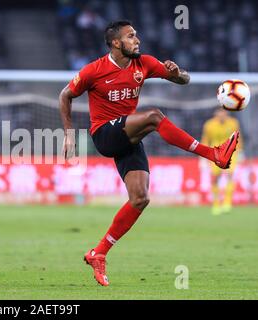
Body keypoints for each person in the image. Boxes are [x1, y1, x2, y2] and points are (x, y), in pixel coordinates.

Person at [59, 20, 239, 286]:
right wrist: (69, 134)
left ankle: (98, 253)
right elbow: (65, 95)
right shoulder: (94, 71)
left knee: (140, 199)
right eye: (131, 36)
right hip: (105, 134)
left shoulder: (144, 63)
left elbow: (185, 80)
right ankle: (214, 154)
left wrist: (177, 73)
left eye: (137, 35)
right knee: (154, 116)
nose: (137, 40)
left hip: (128, 137)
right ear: (116, 43)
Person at [201, 108, 242, 215]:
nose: (221, 115)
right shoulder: (209, 125)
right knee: (215, 178)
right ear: (216, 114)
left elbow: (238, 137)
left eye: (223, 113)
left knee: (230, 174)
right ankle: (216, 204)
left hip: (231, 151)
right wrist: (202, 155)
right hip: (215, 152)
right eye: (219, 113)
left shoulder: (233, 123)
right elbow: (205, 139)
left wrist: (241, 151)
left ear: (226, 114)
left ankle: (227, 202)